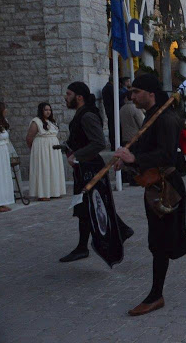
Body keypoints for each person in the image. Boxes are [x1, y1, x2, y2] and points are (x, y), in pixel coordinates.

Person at [114, 74, 186, 317]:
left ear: (151, 94)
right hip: (154, 186)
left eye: (137, 91)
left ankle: (156, 296)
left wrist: (135, 159)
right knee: (172, 240)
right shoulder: (151, 117)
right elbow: (144, 149)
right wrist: (127, 160)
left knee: (161, 243)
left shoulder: (167, 119)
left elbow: (166, 156)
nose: (132, 96)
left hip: (168, 188)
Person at [59, 82, 133, 263]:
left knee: (88, 206)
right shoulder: (81, 114)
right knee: (88, 205)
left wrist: (77, 154)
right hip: (84, 167)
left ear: (79, 97)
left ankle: (83, 247)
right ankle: (122, 230)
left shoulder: (88, 115)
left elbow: (99, 142)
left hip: (90, 168)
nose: (65, 97)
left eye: (68, 94)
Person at [25, 102, 66, 201]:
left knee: (54, 168)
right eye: (46, 110)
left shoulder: (52, 121)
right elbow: (29, 138)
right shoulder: (36, 121)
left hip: (53, 148)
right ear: (41, 110)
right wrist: (34, 149)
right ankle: (43, 193)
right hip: (42, 148)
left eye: (49, 110)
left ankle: (55, 191)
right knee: (44, 168)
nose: (48, 112)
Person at [0, 102, 15, 213]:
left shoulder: (4, 122)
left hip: (3, 151)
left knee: (3, 176)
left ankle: (2, 201)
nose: (6, 110)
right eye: (5, 108)